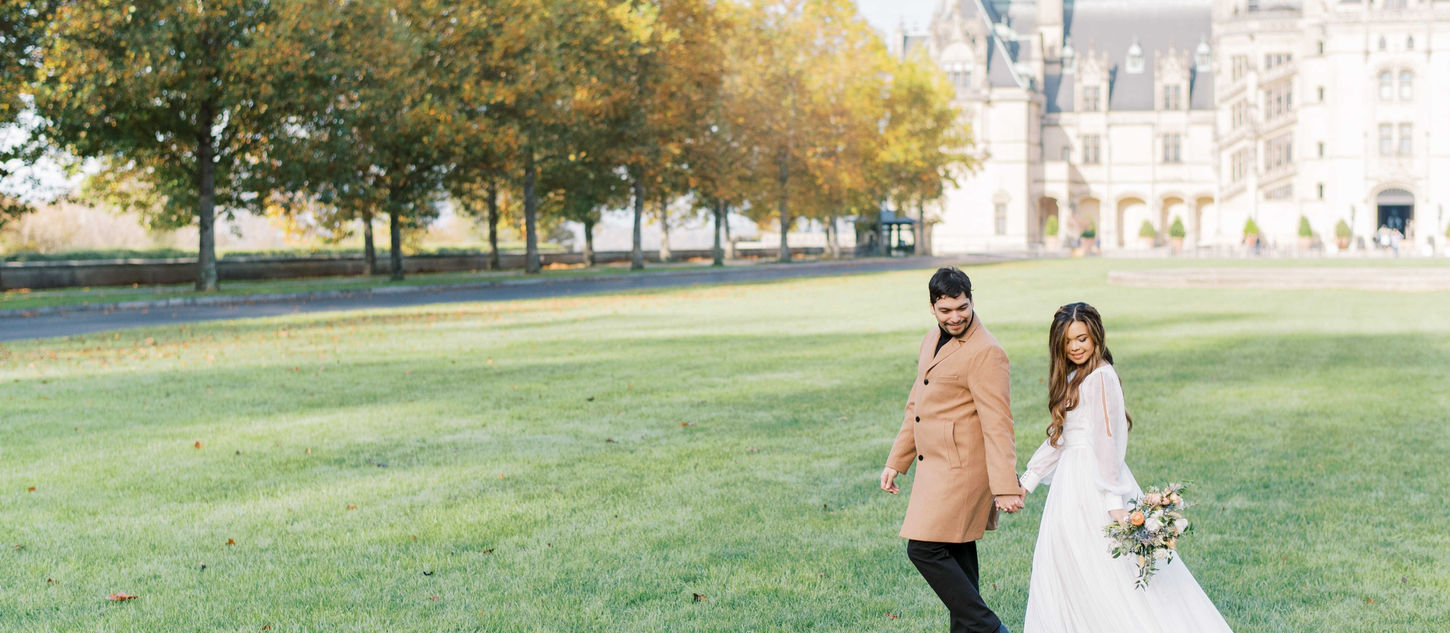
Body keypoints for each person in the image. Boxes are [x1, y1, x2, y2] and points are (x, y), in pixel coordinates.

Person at [1018, 302, 1234, 632]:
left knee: (1106, 572)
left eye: (1083, 339)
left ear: (1096, 337)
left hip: (1095, 486)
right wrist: (1027, 481)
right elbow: (1061, 439)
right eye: (1068, 341)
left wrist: (1113, 504)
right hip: (1069, 487)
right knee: (1069, 568)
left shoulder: (1101, 378)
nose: (1075, 347)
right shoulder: (1077, 377)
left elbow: (1108, 444)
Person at [880, 267, 1024, 633]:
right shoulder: (931, 339)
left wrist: (1005, 485)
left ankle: (990, 628)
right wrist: (897, 461)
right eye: (946, 311)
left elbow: (998, 423)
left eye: (962, 307)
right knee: (957, 557)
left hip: (963, 471)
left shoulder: (987, 352)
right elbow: (917, 404)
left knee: (923, 549)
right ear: (932, 308)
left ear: (971, 300)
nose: (956, 317)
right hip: (936, 466)